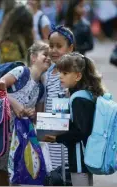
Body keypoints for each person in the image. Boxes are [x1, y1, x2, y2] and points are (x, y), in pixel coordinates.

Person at [44, 52, 106, 186]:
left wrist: (57, 138)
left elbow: (79, 131)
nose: (60, 76)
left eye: (65, 73)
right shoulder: (86, 94)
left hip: (79, 157)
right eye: (60, 72)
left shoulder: (77, 99)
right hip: (87, 155)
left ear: (78, 76)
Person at [0, 41, 51, 185]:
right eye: (45, 54)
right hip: (4, 130)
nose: (48, 58)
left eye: (50, 56)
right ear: (33, 57)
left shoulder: (41, 87)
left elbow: (39, 118)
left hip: (20, 134)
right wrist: (14, 103)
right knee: (3, 170)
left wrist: (32, 113)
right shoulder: (21, 71)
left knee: (18, 169)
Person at [41, 25, 75, 173]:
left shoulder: (72, 73)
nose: (54, 50)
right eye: (51, 46)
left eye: (59, 46)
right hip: (51, 128)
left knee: (64, 167)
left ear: (70, 48)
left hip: (64, 131)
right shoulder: (47, 72)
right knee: (52, 168)